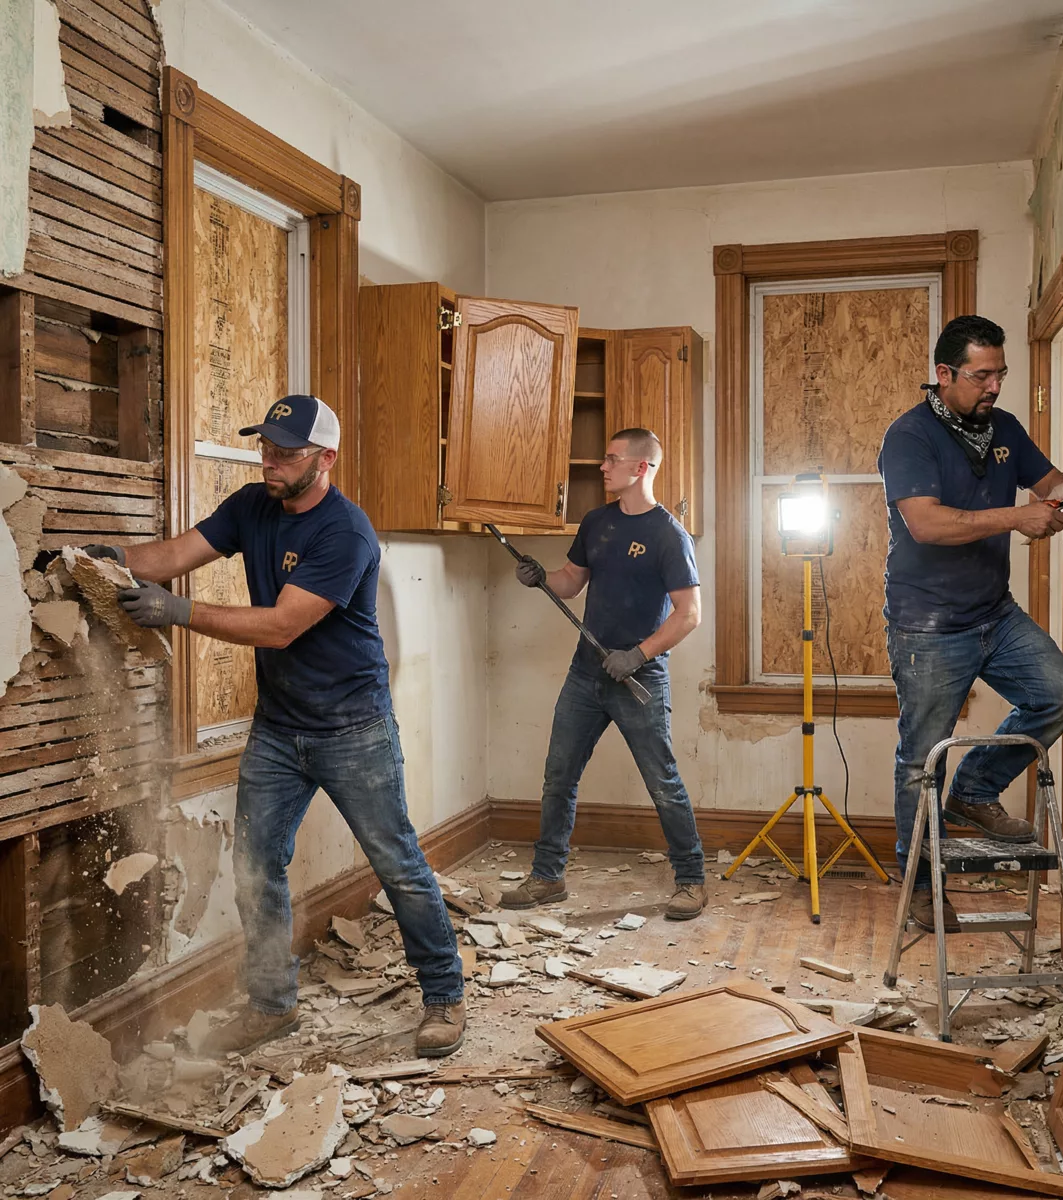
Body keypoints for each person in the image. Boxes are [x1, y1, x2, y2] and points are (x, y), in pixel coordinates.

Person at [89, 395, 465, 1056]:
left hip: (352, 728)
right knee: (255, 864)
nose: (270, 461)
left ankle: (444, 995)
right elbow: (173, 555)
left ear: (326, 459)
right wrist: (99, 558)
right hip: (278, 729)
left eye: (285, 452)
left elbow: (281, 625)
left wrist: (177, 611)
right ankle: (271, 1005)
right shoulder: (251, 507)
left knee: (396, 861)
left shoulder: (344, 532)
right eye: (265, 447)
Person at [878, 316, 1063, 934]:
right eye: (981, 375)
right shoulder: (910, 437)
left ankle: (973, 792)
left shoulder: (1003, 428)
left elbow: (1049, 485)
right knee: (921, 759)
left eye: (1000, 373)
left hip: (993, 613)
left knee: (1059, 694)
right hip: (926, 623)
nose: (994, 386)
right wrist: (1017, 518)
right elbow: (927, 524)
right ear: (945, 375)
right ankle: (919, 886)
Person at [500, 428, 708, 920]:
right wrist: (539, 577)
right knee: (559, 774)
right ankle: (548, 876)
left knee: (663, 781)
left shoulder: (668, 535)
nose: (602, 466)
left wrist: (637, 655)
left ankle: (692, 880)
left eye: (612, 459)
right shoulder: (597, 523)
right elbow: (571, 583)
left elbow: (688, 613)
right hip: (586, 674)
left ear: (642, 468)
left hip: (638, 680)